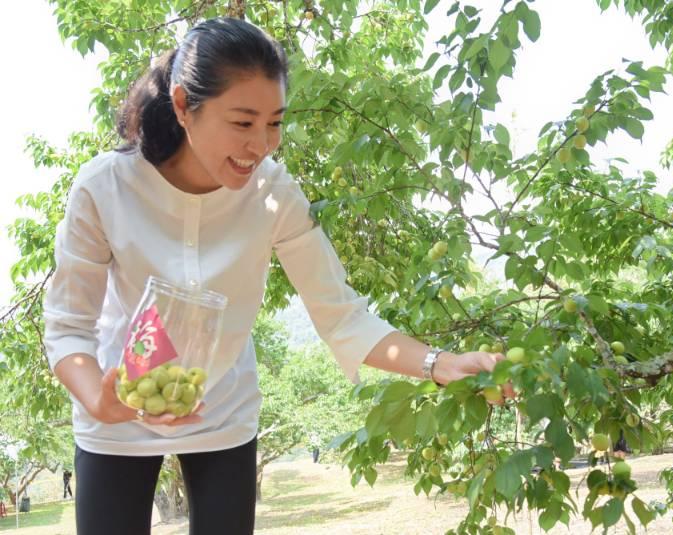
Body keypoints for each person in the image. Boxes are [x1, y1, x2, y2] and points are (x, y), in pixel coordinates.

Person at [43, 17, 513, 535]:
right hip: (117, 411)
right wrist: (98, 398)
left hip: (221, 412)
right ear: (182, 106)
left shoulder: (273, 194)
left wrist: (441, 364)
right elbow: (68, 327)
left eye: (275, 123)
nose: (262, 145)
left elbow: (341, 316)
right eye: (243, 123)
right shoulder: (105, 187)